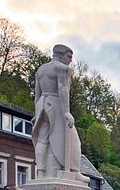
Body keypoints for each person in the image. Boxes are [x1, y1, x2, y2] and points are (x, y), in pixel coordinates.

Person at [32, 44, 88, 182]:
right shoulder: (61, 68)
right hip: (56, 104)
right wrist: (67, 112)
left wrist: (37, 111)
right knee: (73, 139)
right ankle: (74, 171)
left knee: (42, 139)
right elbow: (62, 88)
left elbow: (37, 94)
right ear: (61, 55)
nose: (70, 60)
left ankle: (41, 171)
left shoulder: (41, 70)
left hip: (42, 104)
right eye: (69, 56)